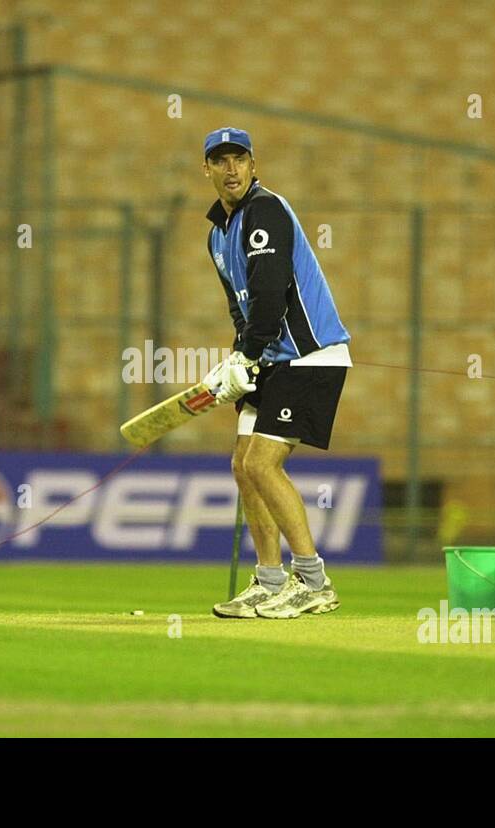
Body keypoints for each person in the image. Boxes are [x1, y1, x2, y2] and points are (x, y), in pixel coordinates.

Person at [200, 128, 353, 620]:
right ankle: (269, 581)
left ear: (251, 163)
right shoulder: (217, 233)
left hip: (310, 356)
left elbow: (270, 293)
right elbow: (241, 311)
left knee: (263, 463)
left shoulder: (264, 210)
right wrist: (235, 362)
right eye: (219, 161)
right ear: (206, 170)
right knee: (243, 465)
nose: (230, 170)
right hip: (272, 358)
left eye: (238, 159)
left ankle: (313, 581)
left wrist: (247, 355)